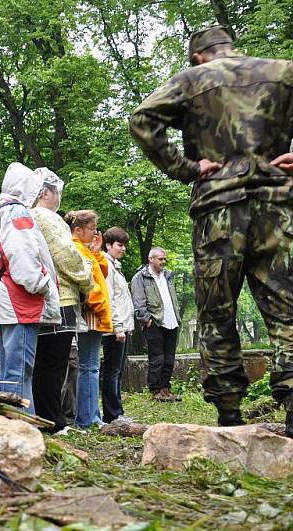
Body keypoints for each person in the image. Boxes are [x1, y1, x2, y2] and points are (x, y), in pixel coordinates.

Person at [129, 25, 293, 432]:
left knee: (217, 312)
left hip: (219, 211)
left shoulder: (192, 79)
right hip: (279, 207)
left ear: (199, 55)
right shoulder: (283, 71)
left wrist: (186, 168)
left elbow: (143, 119)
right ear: (230, 46)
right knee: (287, 310)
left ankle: (230, 415)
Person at [0, 162, 60, 411]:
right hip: (21, 304)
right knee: (20, 373)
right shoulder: (16, 212)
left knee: (9, 372)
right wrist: (44, 286)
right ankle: (23, 431)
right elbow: (23, 258)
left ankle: (15, 427)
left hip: (6, 303)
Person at [31, 169, 95, 432]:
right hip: (62, 298)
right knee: (53, 363)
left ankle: (48, 417)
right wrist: (88, 275)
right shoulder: (46, 217)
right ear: (46, 192)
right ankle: (52, 421)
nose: (59, 198)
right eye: (57, 192)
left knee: (45, 362)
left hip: (46, 298)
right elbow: (66, 255)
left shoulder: (30, 215)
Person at [66, 210, 112, 428]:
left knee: (92, 367)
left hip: (94, 314)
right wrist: (102, 309)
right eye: (92, 229)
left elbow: (102, 272)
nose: (95, 233)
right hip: (91, 315)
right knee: (89, 368)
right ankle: (88, 418)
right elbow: (90, 285)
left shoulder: (85, 249)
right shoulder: (75, 248)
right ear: (78, 230)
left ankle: (93, 415)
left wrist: (97, 251)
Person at [131, 248, 181, 402]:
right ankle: (156, 390)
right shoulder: (140, 277)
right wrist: (146, 319)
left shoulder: (168, 276)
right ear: (151, 259)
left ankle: (165, 389)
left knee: (169, 358)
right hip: (154, 322)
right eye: (160, 259)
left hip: (171, 321)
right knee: (157, 358)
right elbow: (138, 301)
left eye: (164, 259)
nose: (163, 262)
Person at [101, 227, 135, 423]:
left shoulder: (116, 266)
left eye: (124, 245)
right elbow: (109, 298)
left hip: (124, 326)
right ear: (108, 245)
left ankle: (118, 411)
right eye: (119, 245)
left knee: (118, 371)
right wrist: (117, 326)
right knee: (112, 371)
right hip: (116, 328)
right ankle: (112, 414)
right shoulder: (106, 266)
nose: (123, 249)